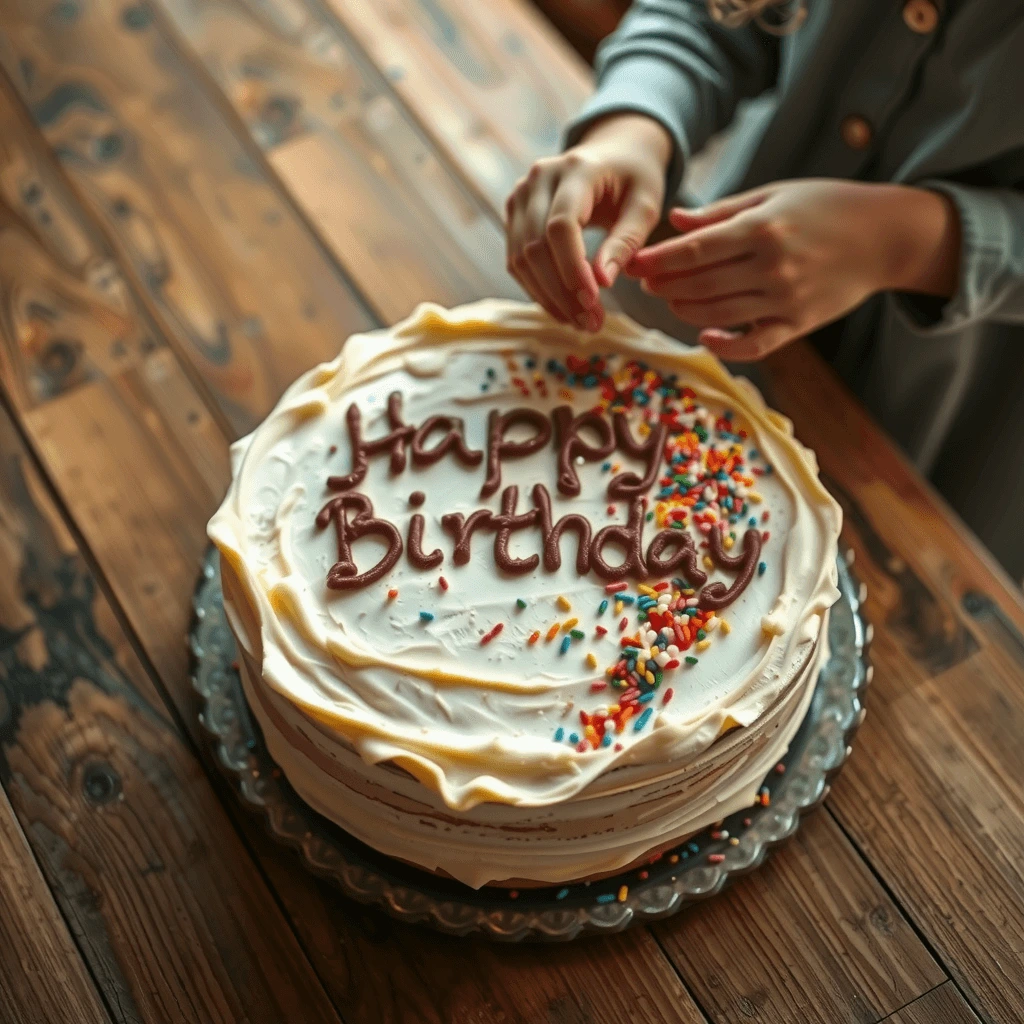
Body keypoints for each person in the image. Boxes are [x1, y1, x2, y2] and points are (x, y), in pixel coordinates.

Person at [505, 0, 1024, 582]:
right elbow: (711, 17)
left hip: (944, 459)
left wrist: (908, 242)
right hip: (709, 337)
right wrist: (633, 127)